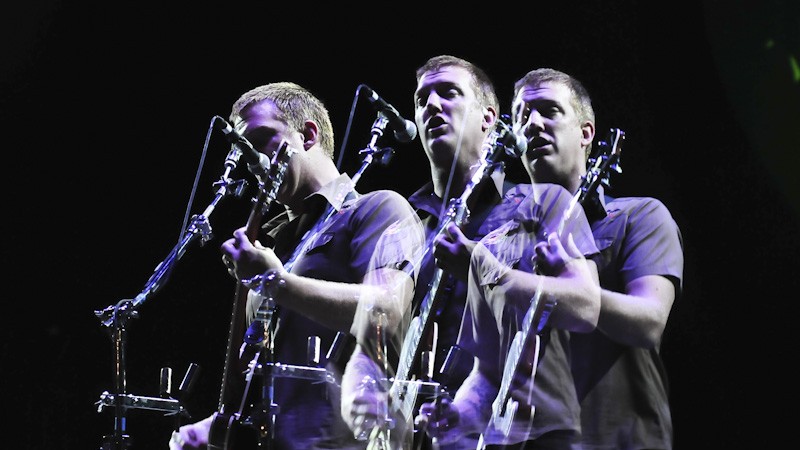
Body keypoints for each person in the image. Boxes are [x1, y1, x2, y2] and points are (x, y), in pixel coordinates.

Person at [169, 81, 424, 450]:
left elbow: (386, 309)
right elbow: (262, 386)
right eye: (243, 151)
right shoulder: (273, 244)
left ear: (307, 135)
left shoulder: (378, 208)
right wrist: (210, 428)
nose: (251, 160)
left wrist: (277, 281)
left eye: (260, 140)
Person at [340, 55, 531, 450]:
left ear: (489, 118)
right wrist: (360, 391)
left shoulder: (528, 212)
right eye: (421, 98)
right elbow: (370, 338)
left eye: (448, 93)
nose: (431, 105)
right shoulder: (401, 222)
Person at [510, 68, 683, 449]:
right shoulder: (509, 241)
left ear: (586, 133)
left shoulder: (640, 217)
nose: (533, 124)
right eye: (521, 116)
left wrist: (574, 289)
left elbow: (650, 321)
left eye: (549, 111)